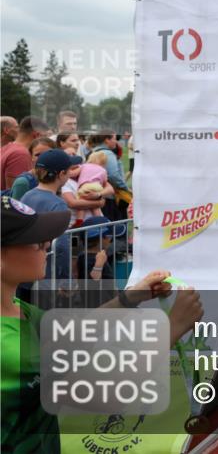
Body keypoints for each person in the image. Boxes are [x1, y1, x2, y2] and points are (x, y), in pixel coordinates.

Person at [0, 195, 204, 454]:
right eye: (35, 241)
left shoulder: (16, 308)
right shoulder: (9, 348)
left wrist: (131, 298)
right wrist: (173, 327)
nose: (47, 244)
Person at [20, 150, 74, 282]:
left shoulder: (27, 195)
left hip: (23, 268)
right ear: (62, 174)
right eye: (69, 170)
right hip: (46, 275)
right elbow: (61, 246)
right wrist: (65, 279)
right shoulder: (58, 204)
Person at [88, 131, 130, 220]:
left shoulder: (92, 152)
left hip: (97, 195)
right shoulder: (108, 154)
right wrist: (125, 188)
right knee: (117, 228)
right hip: (110, 198)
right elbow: (113, 175)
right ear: (107, 140)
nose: (116, 142)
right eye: (114, 139)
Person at [1, 117, 49, 191]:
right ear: (36, 135)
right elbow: (16, 193)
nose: (47, 141)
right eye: (45, 137)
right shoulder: (20, 154)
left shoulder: (7, 148)